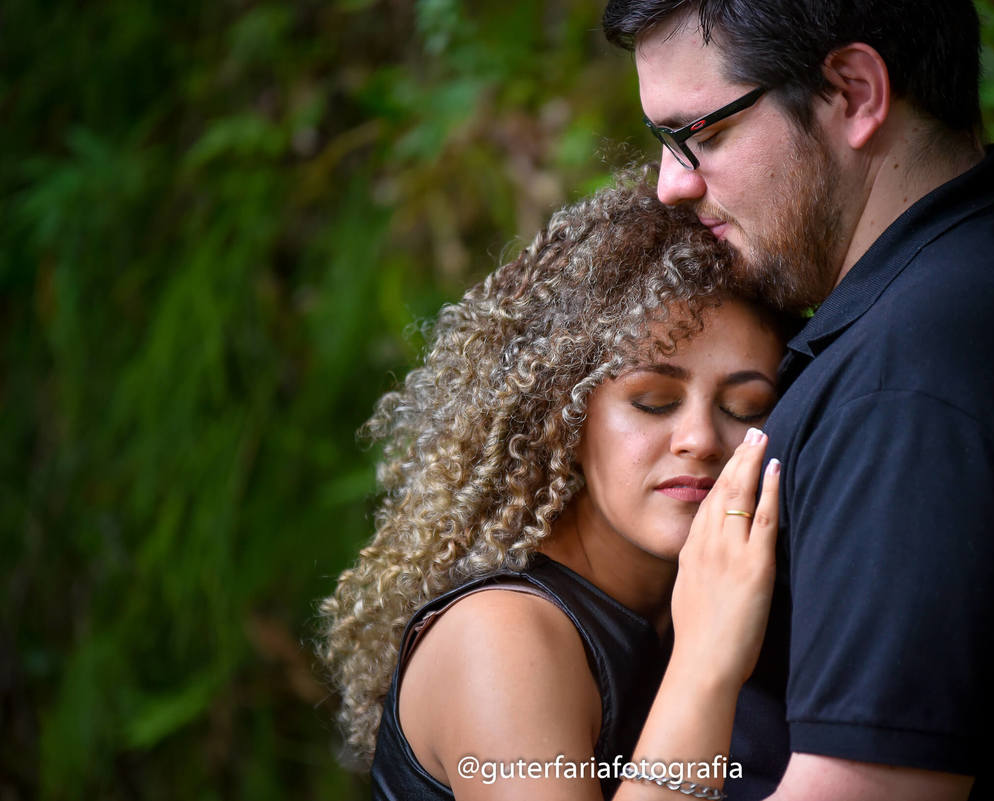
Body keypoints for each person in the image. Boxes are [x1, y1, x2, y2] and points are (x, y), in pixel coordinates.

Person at [601, 2, 994, 800]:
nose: (672, 183)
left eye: (700, 135)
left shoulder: (916, 384)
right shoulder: (986, 298)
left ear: (854, 91)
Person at [320, 171, 794, 800]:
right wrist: (707, 663)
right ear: (564, 419)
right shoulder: (501, 635)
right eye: (653, 401)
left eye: (745, 407)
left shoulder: (696, 607)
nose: (701, 439)